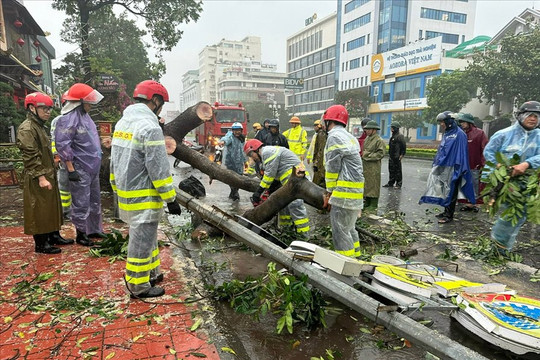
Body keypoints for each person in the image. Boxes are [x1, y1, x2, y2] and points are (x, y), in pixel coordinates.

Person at [110, 80, 182, 299]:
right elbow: (158, 169)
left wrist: (114, 185)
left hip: (126, 190)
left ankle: (152, 272)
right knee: (141, 239)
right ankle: (138, 285)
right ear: (156, 100)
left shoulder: (123, 123)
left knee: (147, 236)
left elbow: (115, 159)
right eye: (162, 104)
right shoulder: (150, 128)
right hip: (144, 193)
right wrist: (171, 198)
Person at [483, 101, 540, 252]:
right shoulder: (503, 134)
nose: (533, 119)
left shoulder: (539, 137)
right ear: (520, 116)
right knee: (511, 215)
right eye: (530, 115)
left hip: (528, 182)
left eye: (536, 116)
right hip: (507, 182)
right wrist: (500, 167)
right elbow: (489, 152)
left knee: (519, 215)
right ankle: (499, 248)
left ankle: (501, 247)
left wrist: (527, 164)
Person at [16, 93, 69, 254]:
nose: (48, 112)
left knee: (52, 207)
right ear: (32, 108)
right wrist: (41, 177)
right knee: (39, 209)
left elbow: (43, 149)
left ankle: (53, 235)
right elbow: (30, 155)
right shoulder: (27, 128)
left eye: (49, 108)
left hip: (48, 172)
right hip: (37, 175)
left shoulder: (39, 126)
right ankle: (41, 243)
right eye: (44, 108)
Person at [54, 83, 105, 246]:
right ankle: (82, 234)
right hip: (80, 168)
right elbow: (63, 144)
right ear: (80, 102)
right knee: (81, 202)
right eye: (88, 101)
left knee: (95, 200)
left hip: (92, 167)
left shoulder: (85, 117)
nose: (90, 105)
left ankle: (94, 229)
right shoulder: (68, 119)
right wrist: (71, 169)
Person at [322, 105, 364, 258]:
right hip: (355, 192)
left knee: (340, 232)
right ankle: (357, 260)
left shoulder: (334, 136)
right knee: (349, 228)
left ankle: (345, 270)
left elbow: (332, 167)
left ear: (329, 121)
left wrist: (329, 192)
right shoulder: (349, 136)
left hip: (343, 193)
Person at [419, 111, 475, 224]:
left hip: (454, 167)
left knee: (451, 191)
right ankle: (445, 211)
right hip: (444, 167)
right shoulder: (447, 133)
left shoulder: (459, 134)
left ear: (448, 121)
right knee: (445, 190)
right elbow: (442, 150)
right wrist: (437, 163)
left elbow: (462, 152)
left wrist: (459, 168)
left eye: (442, 122)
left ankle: (449, 215)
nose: (441, 125)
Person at [244, 139, 310, 235]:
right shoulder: (265, 156)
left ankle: (304, 235)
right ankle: (286, 232)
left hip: (297, 179)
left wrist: (258, 192)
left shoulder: (267, 152)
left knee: (295, 206)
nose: (252, 158)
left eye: (251, 154)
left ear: (255, 149)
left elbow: (269, 176)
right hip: (289, 181)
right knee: (283, 206)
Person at [457, 113, 488, 211]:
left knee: (474, 185)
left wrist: (484, 164)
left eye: (463, 122)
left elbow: (485, 149)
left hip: (475, 165)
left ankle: (474, 204)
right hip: (461, 165)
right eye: (460, 122)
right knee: (463, 184)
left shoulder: (479, 133)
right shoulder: (460, 133)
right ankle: (466, 203)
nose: (461, 124)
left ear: (469, 122)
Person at [50, 92, 72, 219]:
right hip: (64, 159)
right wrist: (56, 156)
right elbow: (54, 140)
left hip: (75, 159)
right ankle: (65, 211)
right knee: (63, 186)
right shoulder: (58, 121)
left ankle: (71, 211)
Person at [361, 120, 385, 211]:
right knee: (367, 184)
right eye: (365, 129)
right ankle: (367, 202)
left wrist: (367, 155)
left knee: (374, 184)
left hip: (374, 166)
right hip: (366, 166)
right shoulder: (367, 139)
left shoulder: (379, 140)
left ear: (374, 130)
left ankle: (373, 204)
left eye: (368, 129)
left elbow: (380, 154)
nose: (366, 131)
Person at [219, 121, 245, 201]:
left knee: (239, 178)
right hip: (230, 162)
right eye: (235, 130)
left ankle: (233, 193)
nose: (237, 132)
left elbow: (242, 150)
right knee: (232, 179)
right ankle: (234, 194)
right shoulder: (230, 136)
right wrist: (223, 142)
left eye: (239, 130)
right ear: (232, 131)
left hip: (239, 163)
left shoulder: (242, 138)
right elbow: (226, 139)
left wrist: (245, 160)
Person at [383, 122, 407, 189]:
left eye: (392, 127)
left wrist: (402, 154)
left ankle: (398, 184)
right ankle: (391, 182)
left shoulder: (400, 136)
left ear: (394, 128)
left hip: (397, 156)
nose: (391, 129)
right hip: (391, 156)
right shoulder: (393, 136)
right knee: (391, 170)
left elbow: (403, 146)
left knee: (398, 171)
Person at [308, 119, 327, 187]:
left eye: (315, 126)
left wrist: (316, 163)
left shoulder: (321, 134)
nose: (314, 127)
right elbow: (312, 147)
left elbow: (320, 151)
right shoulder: (317, 135)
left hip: (319, 162)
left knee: (317, 182)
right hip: (316, 160)